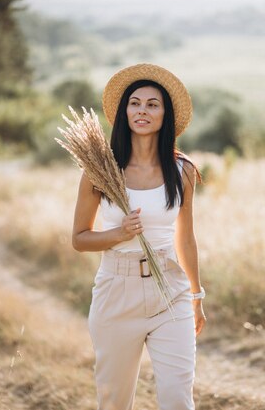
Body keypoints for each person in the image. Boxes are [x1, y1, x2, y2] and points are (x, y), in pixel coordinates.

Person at [71, 63, 206, 410]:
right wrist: (118, 233)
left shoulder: (183, 170)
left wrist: (196, 295)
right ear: (123, 111)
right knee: (115, 402)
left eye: (152, 104)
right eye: (135, 103)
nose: (142, 111)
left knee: (178, 399)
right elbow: (80, 238)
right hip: (117, 291)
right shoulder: (100, 171)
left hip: (171, 292)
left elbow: (186, 238)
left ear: (166, 115)